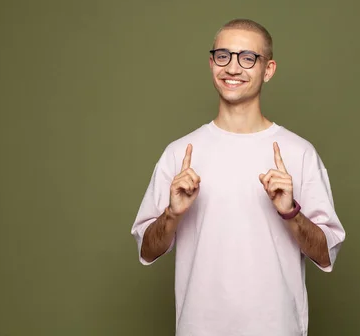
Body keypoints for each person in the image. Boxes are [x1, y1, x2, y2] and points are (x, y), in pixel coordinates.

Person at [130, 18, 346, 336]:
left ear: (268, 69)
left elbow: (326, 252)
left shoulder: (298, 153)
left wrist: (290, 212)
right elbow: (147, 250)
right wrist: (172, 214)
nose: (233, 68)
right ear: (211, 63)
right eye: (223, 56)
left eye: (247, 58)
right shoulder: (179, 154)